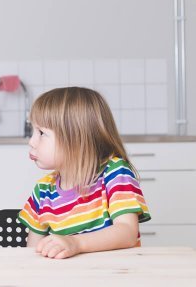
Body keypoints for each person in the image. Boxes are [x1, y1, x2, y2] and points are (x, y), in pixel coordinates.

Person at [18, 87, 150, 259]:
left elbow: (127, 232)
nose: (31, 142)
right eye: (33, 131)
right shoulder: (42, 191)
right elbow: (33, 253)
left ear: (77, 139)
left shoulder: (115, 173)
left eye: (41, 133)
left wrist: (76, 243)